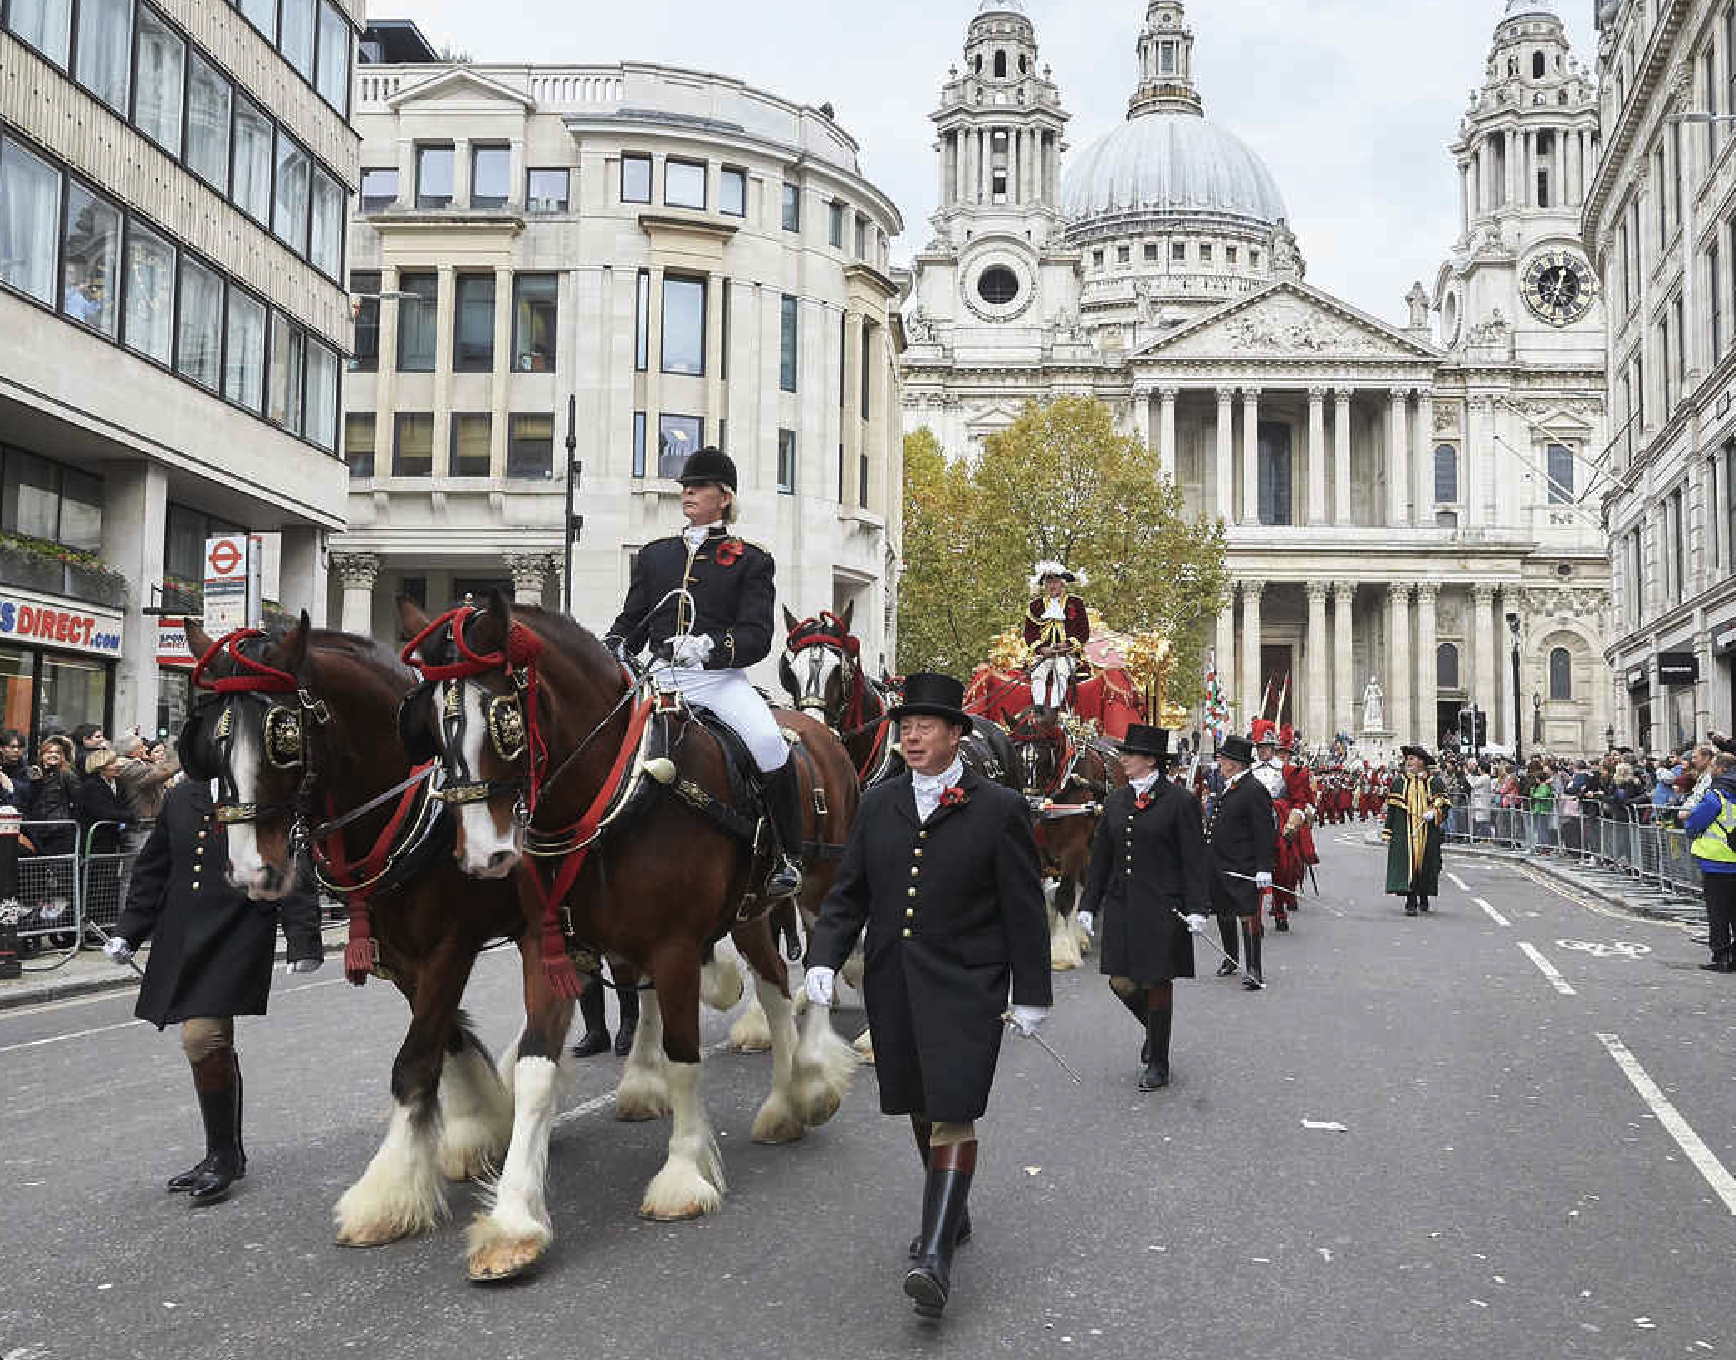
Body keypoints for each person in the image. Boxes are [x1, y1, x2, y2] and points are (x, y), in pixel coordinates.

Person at [803, 672, 1049, 1321]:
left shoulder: (999, 808)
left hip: (968, 983)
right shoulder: (878, 803)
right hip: (894, 981)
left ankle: (935, 1257)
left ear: (956, 735)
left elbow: (1024, 908)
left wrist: (1032, 992)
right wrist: (823, 956)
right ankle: (954, 1212)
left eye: (925, 727)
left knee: (952, 1109)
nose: (911, 737)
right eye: (905, 727)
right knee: (918, 1102)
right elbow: (850, 892)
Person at [103, 776, 324, 1204]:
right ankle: (226, 1152)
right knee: (210, 1043)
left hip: (237, 928)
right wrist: (129, 931)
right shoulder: (180, 797)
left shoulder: (263, 791)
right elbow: (154, 868)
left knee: (202, 1037)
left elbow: (289, 864)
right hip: (184, 934)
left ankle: (223, 1154)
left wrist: (303, 939)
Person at [604, 447, 803, 901]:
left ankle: (786, 855)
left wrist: (708, 648)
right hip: (659, 678)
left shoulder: (752, 559)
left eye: (699, 487)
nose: (688, 493)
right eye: (685, 487)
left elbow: (756, 637)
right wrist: (611, 646)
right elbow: (632, 621)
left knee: (769, 743)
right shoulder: (655, 556)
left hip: (718, 681)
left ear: (725, 497)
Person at [1076, 725, 1210, 1091]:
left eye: (1129, 754)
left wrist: (1198, 907)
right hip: (1122, 904)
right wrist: (1088, 904)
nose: (1123, 758)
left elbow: (1193, 859)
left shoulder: (1180, 801)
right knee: (1120, 981)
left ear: (1150, 760)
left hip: (1163, 906)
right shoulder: (1116, 801)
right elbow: (1101, 858)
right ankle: (1155, 1031)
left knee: (1156, 980)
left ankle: (1158, 1062)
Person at [1203, 734, 1275, 991]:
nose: (1220, 763)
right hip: (1221, 863)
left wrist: (1264, 868)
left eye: (1222, 759)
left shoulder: (1254, 789)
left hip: (1243, 865)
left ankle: (1254, 968)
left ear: (1233, 763)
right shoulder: (1231, 785)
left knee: (1247, 914)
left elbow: (1264, 832)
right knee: (1224, 911)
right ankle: (1231, 958)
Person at [1681, 752, 1736, 973]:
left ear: (1722, 769)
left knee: (1718, 913)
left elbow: (1695, 822)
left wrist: (1690, 826)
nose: (1711, 769)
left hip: (1717, 862)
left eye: (1713, 765)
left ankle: (1721, 956)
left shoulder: (1716, 794)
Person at [1384, 745, 1449, 916]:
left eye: (1412, 759)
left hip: (1427, 832)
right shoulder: (1399, 782)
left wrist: (1435, 812)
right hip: (1406, 833)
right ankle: (1411, 901)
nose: (1408, 762)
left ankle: (1424, 895)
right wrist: (1388, 831)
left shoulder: (1434, 782)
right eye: (1408, 759)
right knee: (1408, 866)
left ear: (1421, 762)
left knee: (1427, 865)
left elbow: (1444, 805)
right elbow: (1392, 810)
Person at [0, 729, 34, 813]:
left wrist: (9, 782)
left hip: (20, 816)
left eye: (19, 747)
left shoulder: (28, 770)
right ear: (1, 748)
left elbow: (29, 796)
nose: (16, 750)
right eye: (12, 747)